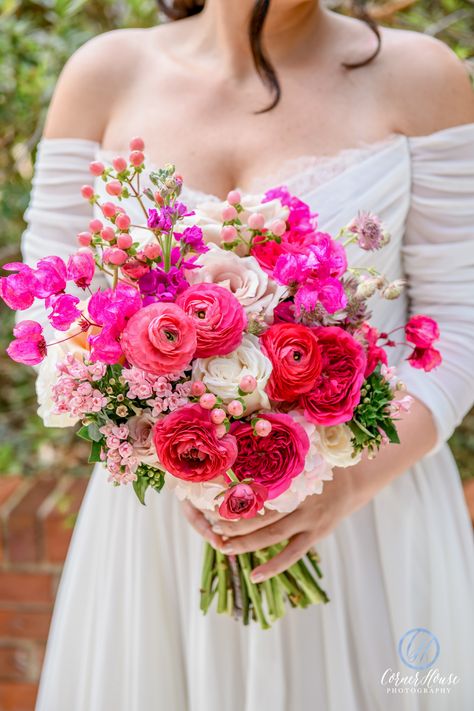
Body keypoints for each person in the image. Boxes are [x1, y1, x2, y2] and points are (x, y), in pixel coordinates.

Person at [22, 1, 474, 709]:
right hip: (163, 528)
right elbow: (50, 311)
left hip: (367, 514)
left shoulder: (420, 78)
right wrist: (155, 426)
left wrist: (343, 488)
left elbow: (460, 327)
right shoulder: (104, 76)